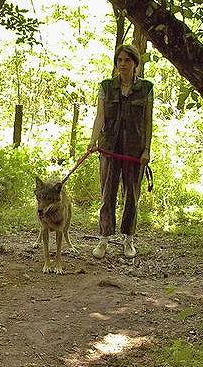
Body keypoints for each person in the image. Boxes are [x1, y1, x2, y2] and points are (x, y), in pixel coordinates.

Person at [87, 44, 153, 259]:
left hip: (134, 151)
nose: (122, 64)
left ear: (135, 63)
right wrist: (92, 141)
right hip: (109, 148)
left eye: (127, 60)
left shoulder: (146, 88)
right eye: (119, 60)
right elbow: (100, 117)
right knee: (107, 194)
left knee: (132, 196)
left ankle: (128, 239)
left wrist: (146, 150)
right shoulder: (106, 86)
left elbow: (147, 122)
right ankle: (104, 238)